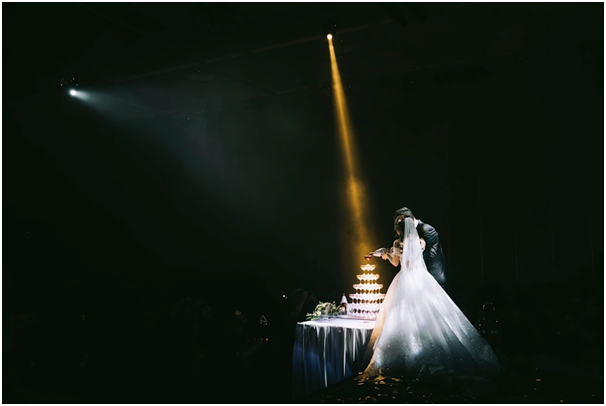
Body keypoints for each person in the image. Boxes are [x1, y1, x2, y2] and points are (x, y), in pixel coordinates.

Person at [362, 214, 500, 382]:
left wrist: (387, 255)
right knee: (427, 313)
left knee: (402, 315)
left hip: (405, 278)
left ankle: (405, 356)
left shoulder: (397, 243)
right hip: (421, 278)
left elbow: (396, 263)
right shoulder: (421, 242)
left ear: (398, 230)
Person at [380, 207, 448, 291]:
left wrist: (405, 255)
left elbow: (431, 255)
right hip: (418, 277)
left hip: (432, 277)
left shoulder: (427, 229)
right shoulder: (420, 241)